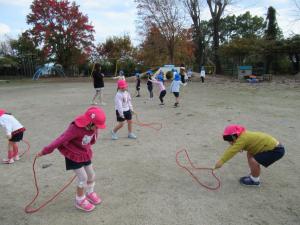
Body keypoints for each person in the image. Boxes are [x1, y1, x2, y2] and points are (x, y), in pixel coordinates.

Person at [36, 106, 106, 212]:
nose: (97, 129)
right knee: (83, 178)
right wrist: (45, 151)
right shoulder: (75, 128)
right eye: (96, 126)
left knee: (91, 175)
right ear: (90, 122)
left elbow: (92, 139)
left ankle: (90, 192)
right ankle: (80, 200)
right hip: (73, 155)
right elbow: (60, 139)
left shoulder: (93, 128)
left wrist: (89, 143)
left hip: (84, 153)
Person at [214, 125, 285, 187]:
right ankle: (253, 175)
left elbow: (232, 151)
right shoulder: (242, 135)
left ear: (234, 136)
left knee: (254, 161)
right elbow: (237, 146)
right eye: (226, 139)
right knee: (250, 153)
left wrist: (221, 161)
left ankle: (255, 181)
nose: (229, 142)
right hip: (269, 147)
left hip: (276, 150)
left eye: (229, 139)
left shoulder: (242, 139)